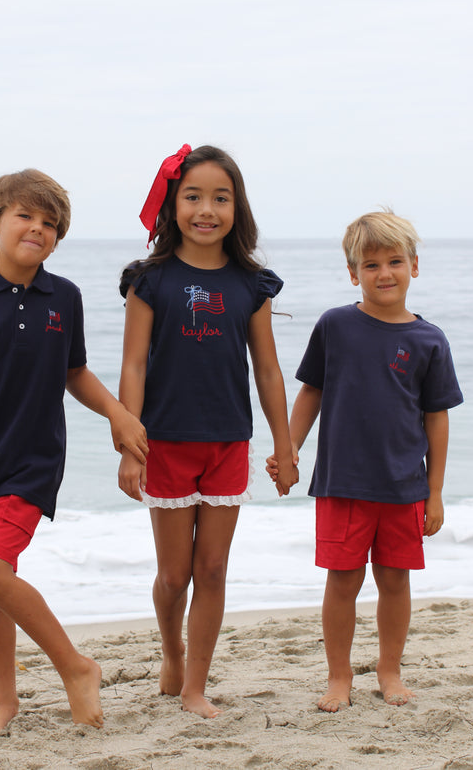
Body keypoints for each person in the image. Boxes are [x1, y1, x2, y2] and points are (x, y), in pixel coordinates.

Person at [0, 169, 148, 737]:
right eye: (26, 216)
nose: (38, 229)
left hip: (32, 462)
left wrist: (119, 414)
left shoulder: (63, 297)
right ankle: (6, 702)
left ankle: (76, 667)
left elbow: (74, 372)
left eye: (50, 224)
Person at [118, 144, 298, 719]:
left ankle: (196, 684)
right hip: (165, 442)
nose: (206, 209)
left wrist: (285, 444)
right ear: (173, 205)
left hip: (228, 441)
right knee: (174, 575)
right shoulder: (150, 281)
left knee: (213, 569)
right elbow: (134, 366)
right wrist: (129, 445)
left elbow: (267, 370)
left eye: (221, 198)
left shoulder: (251, 284)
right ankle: (171, 654)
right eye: (193, 196)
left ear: (236, 207)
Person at [279, 210, 463, 713]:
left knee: (395, 580)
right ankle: (339, 677)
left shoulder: (430, 340)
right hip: (342, 483)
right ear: (352, 272)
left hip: (405, 486)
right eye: (371, 263)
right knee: (342, 580)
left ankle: (389, 670)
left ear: (414, 267)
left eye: (395, 261)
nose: (384, 273)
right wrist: (289, 448)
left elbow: (437, 419)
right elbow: (310, 391)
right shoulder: (335, 325)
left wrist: (437, 491)